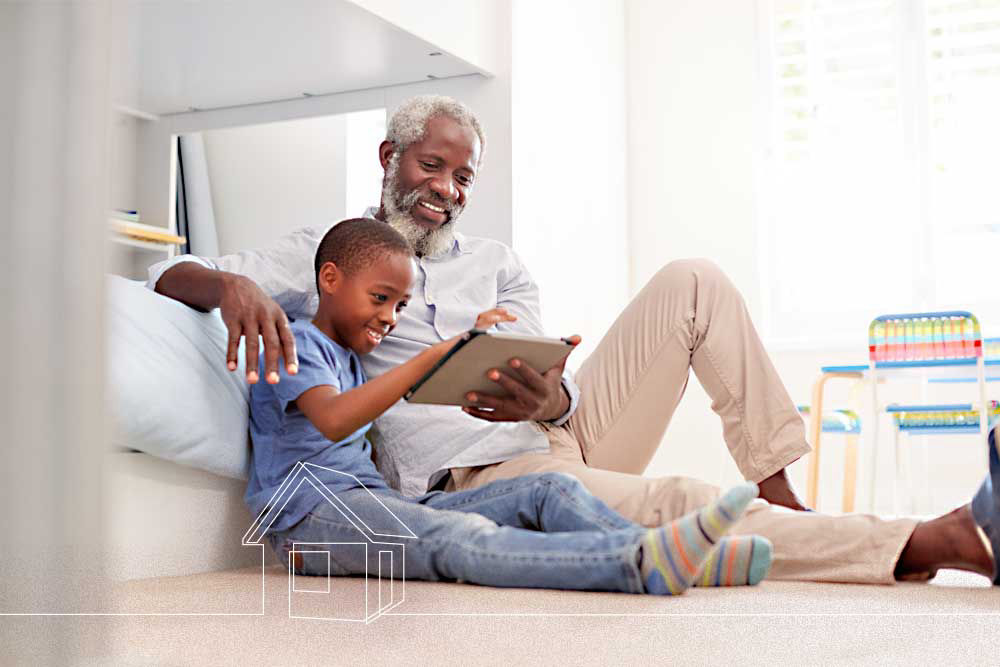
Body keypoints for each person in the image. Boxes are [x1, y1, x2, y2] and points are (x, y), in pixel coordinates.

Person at [150, 95, 998, 585]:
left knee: (692, 279)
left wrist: (554, 394)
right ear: (390, 157)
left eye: (464, 176)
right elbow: (168, 276)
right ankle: (936, 538)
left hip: (556, 428)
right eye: (431, 167)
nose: (447, 189)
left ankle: (782, 495)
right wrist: (228, 285)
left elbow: (554, 380)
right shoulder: (325, 252)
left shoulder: (498, 262)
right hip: (479, 470)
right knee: (672, 500)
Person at [246, 217, 774, 595]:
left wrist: (474, 352)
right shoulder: (294, 342)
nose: (390, 317)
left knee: (549, 488)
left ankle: (679, 556)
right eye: (380, 298)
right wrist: (435, 354)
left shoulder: (350, 355)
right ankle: (634, 563)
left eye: (401, 306)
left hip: (373, 503)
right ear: (331, 279)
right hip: (308, 522)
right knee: (463, 538)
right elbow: (335, 417)